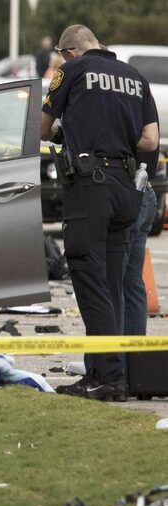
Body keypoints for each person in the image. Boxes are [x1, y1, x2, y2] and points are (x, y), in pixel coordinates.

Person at [41, 24, 159, 401]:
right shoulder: (135, 77)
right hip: (126, 189)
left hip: (91, 186)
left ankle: (107, 377)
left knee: (88, 278)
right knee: (111, 285)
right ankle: (104, 373)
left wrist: (67, 131)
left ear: (69, 51)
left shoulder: (71, 71)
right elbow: (150, 140)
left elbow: (42, 128)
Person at [122, 101, 160, 337]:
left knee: (113, 283)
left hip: (127, 191)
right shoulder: (138, 88)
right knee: (131, 281)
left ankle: (112, 365)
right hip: (144, 189)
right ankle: (134, 363)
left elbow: (151, 141)